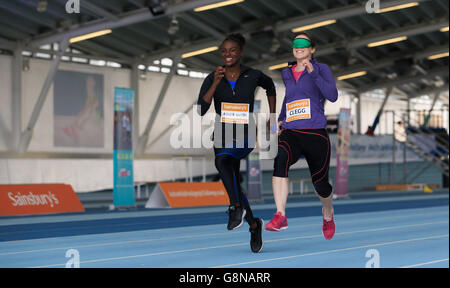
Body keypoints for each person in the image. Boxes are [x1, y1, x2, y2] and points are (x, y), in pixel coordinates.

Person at [197, 33, 276, 253]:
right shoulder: (213, 76)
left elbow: (271, 87)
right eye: (224, 51)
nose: (227, 54)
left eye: (232, 50)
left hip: (245, 134)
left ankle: (235, 208)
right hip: (222, 134)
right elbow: (201, 109)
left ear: (240, 52)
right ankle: (253, 224)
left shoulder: (254, 75)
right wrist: (215, 83)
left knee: (222, 163)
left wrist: (272, 115)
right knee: (233, 182)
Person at [265, 32, 338, 240]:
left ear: (312, 49)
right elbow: (290, 97)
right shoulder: (286, 73)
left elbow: (332, 96)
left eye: (304, 44)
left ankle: (328, 213)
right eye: (296, 43)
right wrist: (280, 118)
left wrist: (313, 73)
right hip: (292, 132)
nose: (299, 47)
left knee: (321, 185)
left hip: (316, 134)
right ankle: (280, 215)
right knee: (280, 159)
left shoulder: (322, 69)